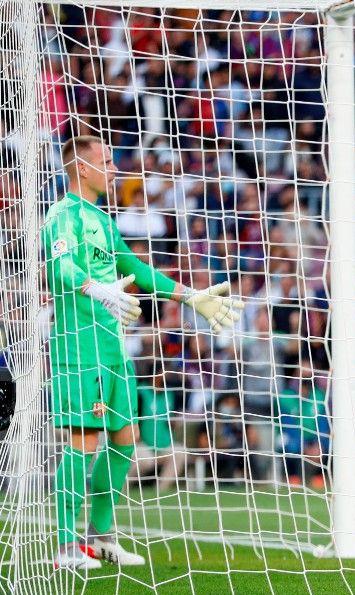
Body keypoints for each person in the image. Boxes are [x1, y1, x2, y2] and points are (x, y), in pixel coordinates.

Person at [45, 135, 243, 570]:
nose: (115, 169)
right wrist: (95, 289)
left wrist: (190, 296)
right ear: (81, 167)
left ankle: (100, 538)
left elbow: (134, 269)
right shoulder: (63, 216)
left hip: (114, 348)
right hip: (79, 348)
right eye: (107, 161)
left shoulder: (102, 219)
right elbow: (60, 266)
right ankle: (63, 546)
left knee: (124, 440)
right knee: (83, 442)